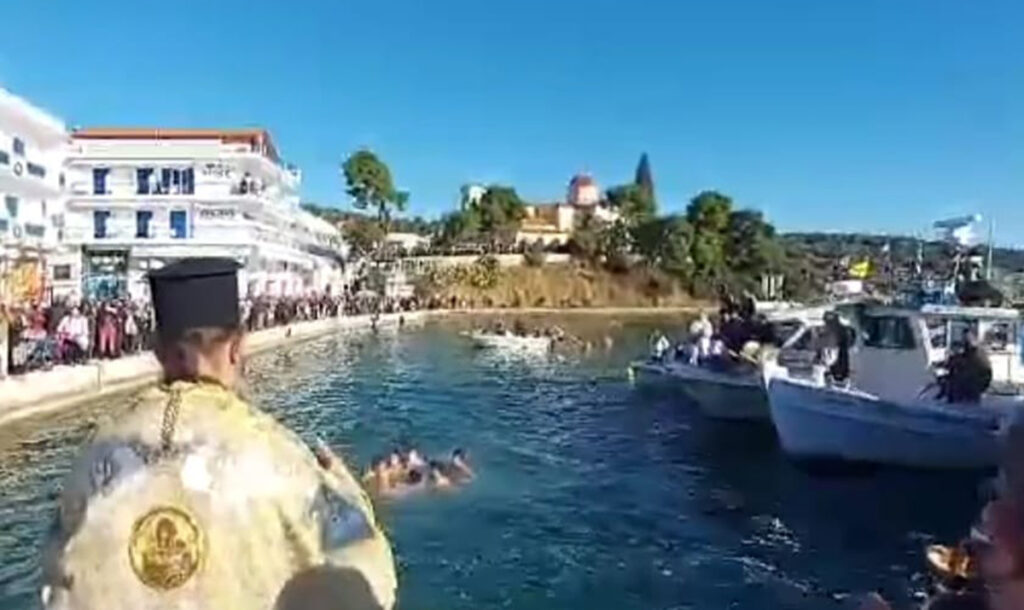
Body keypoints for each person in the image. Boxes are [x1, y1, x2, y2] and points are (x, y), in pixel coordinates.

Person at [41, 258, 396, 609]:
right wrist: (350, 489)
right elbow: (366, 578)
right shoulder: (279, 455)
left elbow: (56, 576)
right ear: (237, 348)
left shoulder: (96, 454)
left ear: (157, 349)